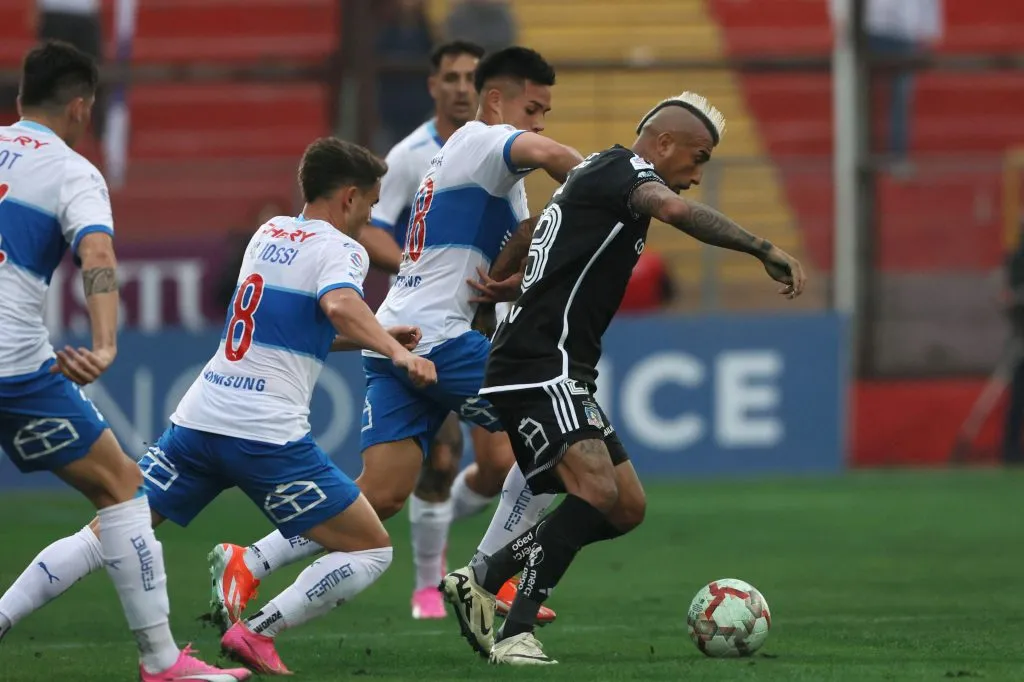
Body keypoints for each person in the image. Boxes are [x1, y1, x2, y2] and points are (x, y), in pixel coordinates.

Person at [0, 136, 437, 676]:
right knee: (372, 549)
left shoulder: (269, 232)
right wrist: (396, 352)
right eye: (371, 204)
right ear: (349, 197)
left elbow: (293, 327)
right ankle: (257, 632)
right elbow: (341, 304)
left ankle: (2, 615)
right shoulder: (342, 248)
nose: (369, 217)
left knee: (110, 527)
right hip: (266, 436)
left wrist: (379, 336)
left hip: (199, 419)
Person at [205, 45, 581, 632]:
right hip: (441, 337)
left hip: (401, 329)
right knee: (556, 444)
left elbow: (490, 251)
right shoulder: (483, 140)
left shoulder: (484, 171)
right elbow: (555, 154)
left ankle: (249, 561)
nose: (539, 124)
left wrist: (510, 280)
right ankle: (492, 576)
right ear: (497, 101)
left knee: (378, 497)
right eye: (532, 109)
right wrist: (605, 183)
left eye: (546, 113)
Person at [440, 91, 806, 665]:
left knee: (625, 506)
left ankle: (482, 574)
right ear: (662, 143)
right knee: (597, 491)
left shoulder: (595, 175)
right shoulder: (626, 171)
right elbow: (677, 212)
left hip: (561, 366)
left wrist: (518, 284)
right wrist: (760, 247)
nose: (697, 173)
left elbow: (538, 226)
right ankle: (515, 629)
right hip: (541, 363)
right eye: (700, 156)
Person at [0, 41, 251, 681]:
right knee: (122, 488)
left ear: (21, 96)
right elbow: (98, 259)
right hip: (14, 369)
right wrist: (107, 344)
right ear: (82, 106)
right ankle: (163, 663)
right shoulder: (71, 171)